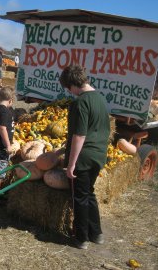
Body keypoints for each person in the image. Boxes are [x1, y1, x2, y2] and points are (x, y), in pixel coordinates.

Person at [59, 64, 110, 250]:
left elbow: (79, 135)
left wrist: (71, 164)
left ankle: (81, 238)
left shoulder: (81, 102)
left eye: (68, 88)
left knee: (79, 197)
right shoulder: (99, 98)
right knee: (89, 193)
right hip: (98, 155)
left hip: (84, 157)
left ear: (73, 85)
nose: (69, 92)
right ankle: (97, 234)